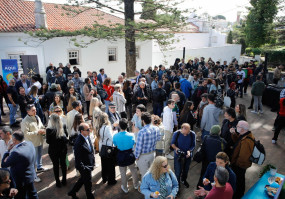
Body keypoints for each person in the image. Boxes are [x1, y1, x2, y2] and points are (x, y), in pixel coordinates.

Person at [1, 131, 38, 199]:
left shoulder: (16, 152)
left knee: (21, 196)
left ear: (14, 140)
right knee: (33, 193)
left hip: (20, 180)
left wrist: (7, 150)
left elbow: (3, 164)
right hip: (30, 175)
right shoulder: (29, 143)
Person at [68, 123, 95, 199]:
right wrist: (84, 168)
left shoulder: (87, 136)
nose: (89, 130)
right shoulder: (78, 142)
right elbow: (78, 158)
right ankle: (90, 196)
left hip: (89, 163)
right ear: (82, 131)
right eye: (87, 129)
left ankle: (72, 192)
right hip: (84, 166)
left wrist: (93, 161)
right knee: (88, 182)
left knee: (83, 179)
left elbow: (90, 151)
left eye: (89, 128)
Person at [21, 104, 47, 182]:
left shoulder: (37, 117)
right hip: (32, 143)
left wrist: (43, 130)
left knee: (39, 155)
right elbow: (25, 134)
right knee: (33, 160)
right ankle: (34, 175)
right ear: (28, 111)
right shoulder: (25, 121)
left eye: (35, 109)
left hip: (39, 140)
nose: (35, 111)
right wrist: (37, 132)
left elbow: (41, 126)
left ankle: (39, 167)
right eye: (33, 110)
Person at [113, 118, 140, 193]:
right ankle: (136, 185)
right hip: (130, 154)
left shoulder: (115, 136)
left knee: (122, 172)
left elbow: (115, 144)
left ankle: (125, 187)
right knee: (133, 170)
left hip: (120, 155)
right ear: (127, 125)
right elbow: (133, 144)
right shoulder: (131, 135)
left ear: (119, 126)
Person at [230, 121, 254, 199]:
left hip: (240, 166)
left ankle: (238, 195)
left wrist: (235, 164)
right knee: (239, 180)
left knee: (239, 181)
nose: (236, 127)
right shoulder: (243, 135)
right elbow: (237, 141)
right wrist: (233, 134)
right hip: (238, 165)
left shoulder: (247, 141)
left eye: (238, 126)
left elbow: (243, 157)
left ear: (243, 129)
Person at [135, 112, 161, 177]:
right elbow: (158, 138)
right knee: (152, 173)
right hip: (152, 154)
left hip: (143, 156)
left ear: (143, 121)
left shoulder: (141, 132)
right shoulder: (156, 128)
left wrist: (136, 157)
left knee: (144, 176)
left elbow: (139, 147)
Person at [171, 123, 196, 190]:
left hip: (187, 156)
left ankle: (183, 180)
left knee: (186, 170)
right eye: (184, 131)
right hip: (178, 156)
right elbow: (172, 144)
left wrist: (189, 151)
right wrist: (176, 148)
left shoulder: (192, 134)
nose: (186, 133)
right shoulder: (177, 133)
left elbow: (193, 145)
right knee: (178, 171)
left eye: (188, 131)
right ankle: (177, 184)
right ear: (182, 129)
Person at [46, 114, 68, 188]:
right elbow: (66, 137)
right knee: (63, 164)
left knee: (55, 166)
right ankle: (64, 180)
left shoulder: (49, 130)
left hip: (53, 150)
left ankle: (57, 182)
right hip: (62, 149)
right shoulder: (63, 127)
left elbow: (48, 141)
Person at [97, 113, 117, 185]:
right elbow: (112, 138)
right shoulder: (107, 127)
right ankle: (111, 181)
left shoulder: (99, 127)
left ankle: (104, 178)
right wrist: (115, 133)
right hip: (108, 148)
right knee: (111, 166)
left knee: (104, 165)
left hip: (102, 148)